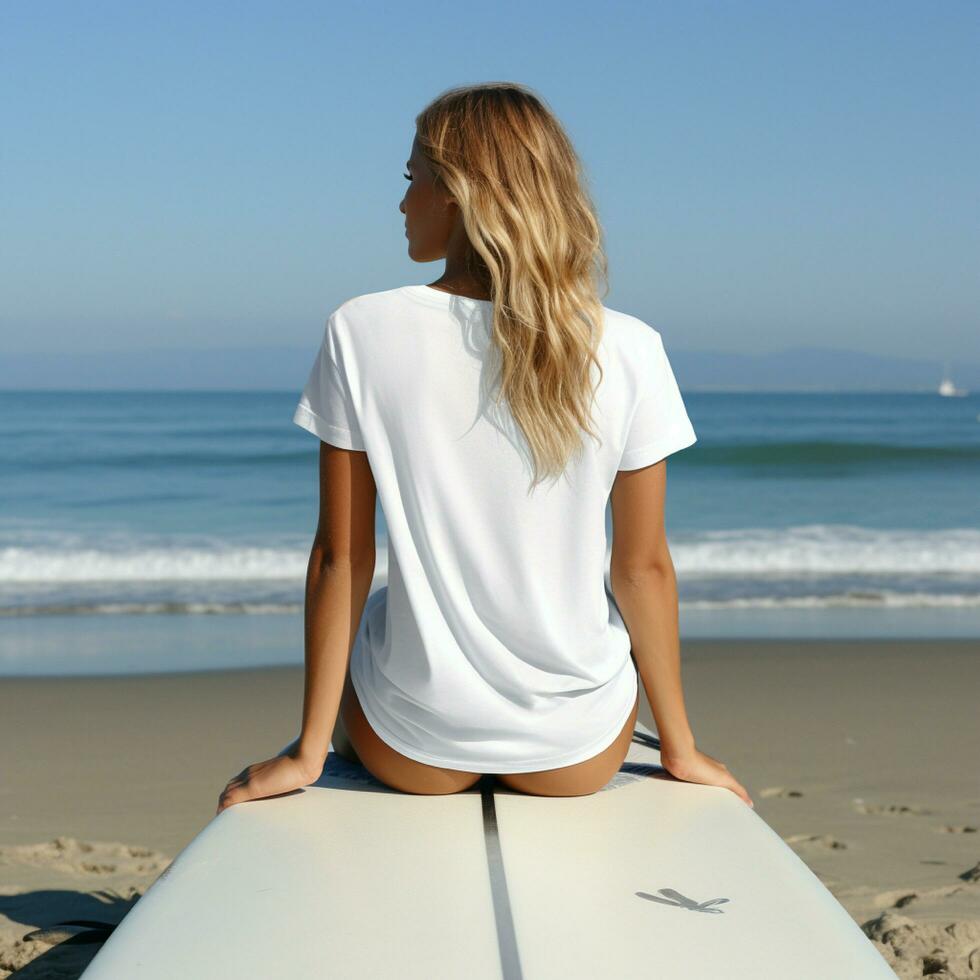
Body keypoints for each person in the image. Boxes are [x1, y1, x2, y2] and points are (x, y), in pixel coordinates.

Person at [217, 82, 752, 813]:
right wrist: (682, 749)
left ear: (459, 193)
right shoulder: (629, 346)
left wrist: (308, 752)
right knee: (593, 639)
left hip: (412, 747)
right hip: (577, 752)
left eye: (412, 180)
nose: (402, 202)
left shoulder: (362, 329)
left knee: (380, 610)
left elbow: (342, 556)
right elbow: (641, 568)